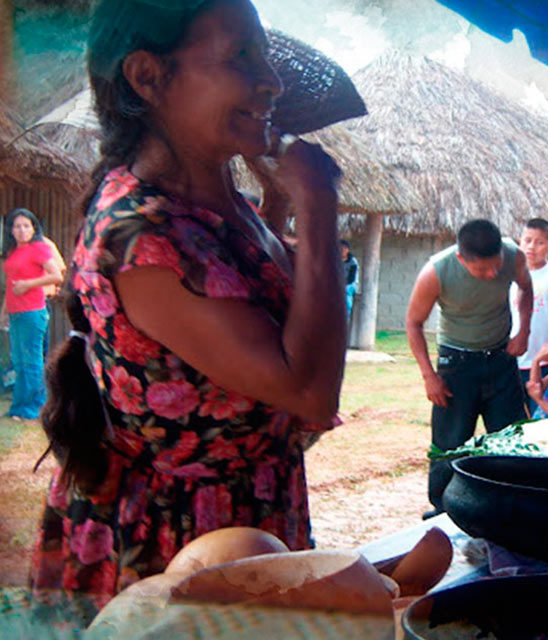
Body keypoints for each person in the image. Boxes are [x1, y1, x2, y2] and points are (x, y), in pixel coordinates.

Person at [30, 0, 346, 615]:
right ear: (148, 76)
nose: (271, 80)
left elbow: (277, 307)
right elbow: (310, 392)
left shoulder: (226, 205)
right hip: (175, 547)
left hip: (247, 522)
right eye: (241, 56)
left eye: (265, 55)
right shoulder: (143, 239)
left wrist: (282, 212)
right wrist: (318, 204)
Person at [406, 219, 533, 517]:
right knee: (450, 443)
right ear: (462, 258)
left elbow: (527, 289)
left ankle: (512, 505)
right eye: (480, 270)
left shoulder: (514, 256)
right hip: (456, 364)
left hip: (501, 359)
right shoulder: (436, 272)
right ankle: (443, 509)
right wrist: (429, 376)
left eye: (494, 266)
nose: (491, 275)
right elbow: (413, 323)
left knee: (511, 438)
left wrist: (524, 331)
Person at [1, 208, 63, 420]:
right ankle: (18, 407)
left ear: (33, 227)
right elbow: (10, 285)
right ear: (10, 230)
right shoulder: (12, 252)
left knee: (31, 361)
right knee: (18, 361)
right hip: (15, 313)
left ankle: (34, 408)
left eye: (26, 225)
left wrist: (29, 284)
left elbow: (56, 276)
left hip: (32, 311)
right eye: (17, 226)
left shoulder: (39, 248)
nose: (21, 230)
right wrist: (4, 312)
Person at [510, 218, 548, 415]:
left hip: (547, 364)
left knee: (543, 419)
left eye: (539, 242)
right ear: (519, 241)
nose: (532, 247)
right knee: (514, 421)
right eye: (527, 240)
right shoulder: (509, 276)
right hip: (513, 363)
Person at [341, 238, 359, 322]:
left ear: (347, 249)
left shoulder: (353, 262)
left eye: (344, 248)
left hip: (350, 285)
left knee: (346, 293)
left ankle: (345, 320)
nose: (342, 250)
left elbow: (351, 278)